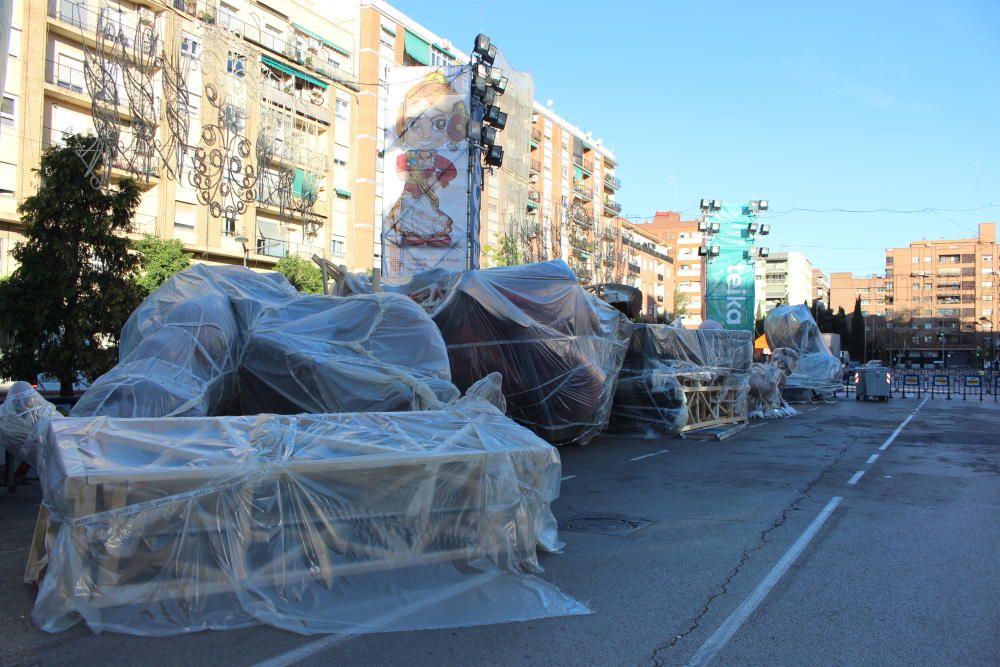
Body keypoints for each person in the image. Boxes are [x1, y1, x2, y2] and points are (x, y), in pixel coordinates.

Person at [387, 71, 468, 248]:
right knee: (411, 214)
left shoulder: (438, 159)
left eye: (439, 124)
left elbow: (451, 171)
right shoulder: (408, 156)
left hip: (429, 197)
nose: (425, 133)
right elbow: (401, 169)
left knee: (430, 215)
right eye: (415, 124)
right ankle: (413, 233)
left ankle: (430, 234)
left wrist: (438, 181)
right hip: (411, 195)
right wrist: (408, 174)